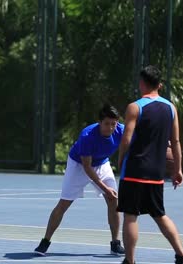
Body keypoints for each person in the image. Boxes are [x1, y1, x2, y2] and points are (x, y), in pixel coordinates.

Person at [117, 66, 183, 264]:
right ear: (159, 85)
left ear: (142, 83)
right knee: (159, 214)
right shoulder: (170, 108)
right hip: (156, 172)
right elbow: (175, 142)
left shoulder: (135, 107)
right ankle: (182, 256)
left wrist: (120, 160)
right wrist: (178, 169)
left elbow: (126, 139)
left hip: (134, 169)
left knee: (131, 215)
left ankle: (130, 261)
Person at [34, 104, 126, 256]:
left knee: (113, 201)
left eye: (113, 124)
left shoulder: (121, 130)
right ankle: (45, 241)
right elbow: (87, 168)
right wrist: (105, 188)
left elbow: (141, 137)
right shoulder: (87, 136)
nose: (110, 128)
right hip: (79, 165)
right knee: (64, 203)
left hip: (102, 163)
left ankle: (115, 244)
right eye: (106, 124)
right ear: (99, 122)